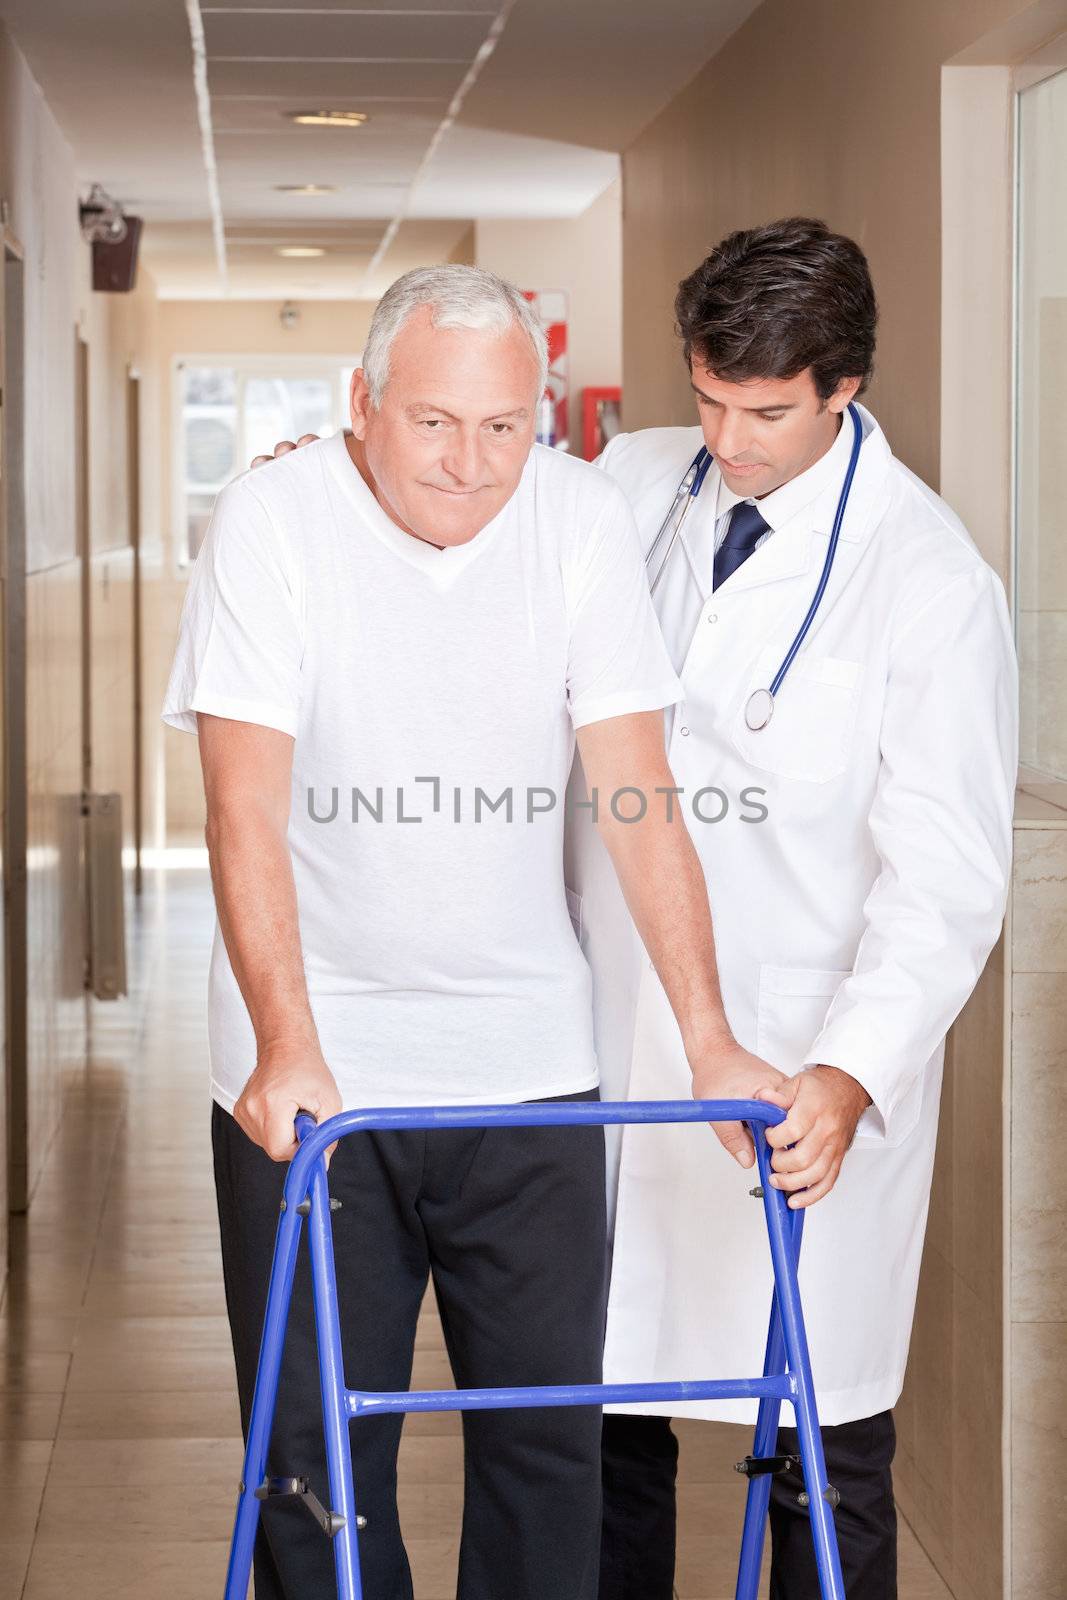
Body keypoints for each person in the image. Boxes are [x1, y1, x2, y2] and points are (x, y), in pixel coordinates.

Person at [164, 263, 782, 1600]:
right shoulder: (271, 521)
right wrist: (285, 1041)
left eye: (504, 427)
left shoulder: (575, 521)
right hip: (316, 1085)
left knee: (545, 1455)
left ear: (540, 418)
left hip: (529, 1072)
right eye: (434, 422)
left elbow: (637, 792)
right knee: (313, 1473)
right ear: (364, 401)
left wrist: (711, 1038)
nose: (469, 462)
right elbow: (242, 807)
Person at [577, 218, 1018, 1600]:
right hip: (617, 1033)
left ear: (845, 388)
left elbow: (945, 875)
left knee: (825, 1438)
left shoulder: (932, 581)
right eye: (707, 398)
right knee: (607, 1424)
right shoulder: (635, 482)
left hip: (794, 1058)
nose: (728, 438)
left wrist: (849, 1067)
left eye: (765, 411)